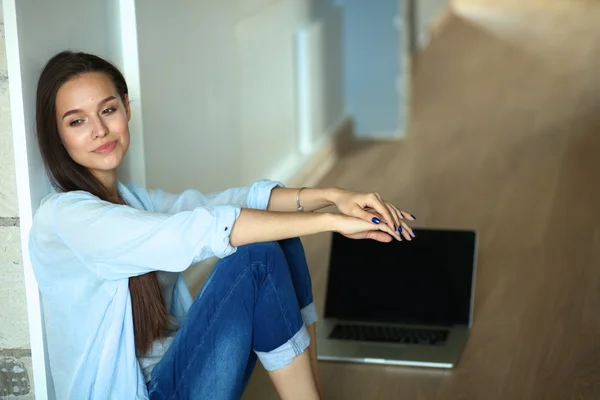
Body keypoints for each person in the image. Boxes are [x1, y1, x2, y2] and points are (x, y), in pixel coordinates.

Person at [29, 50, 416, 400]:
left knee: (279, 237)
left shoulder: (134, 201)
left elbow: (228, 203)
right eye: (77, 121)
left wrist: (333, 195)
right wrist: (332, 221)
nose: (98, 129)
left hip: (171, 376)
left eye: (108, 110)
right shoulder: (65, 218)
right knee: (258, 257)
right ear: (57, 135)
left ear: (127, 108)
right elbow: (206, 228)